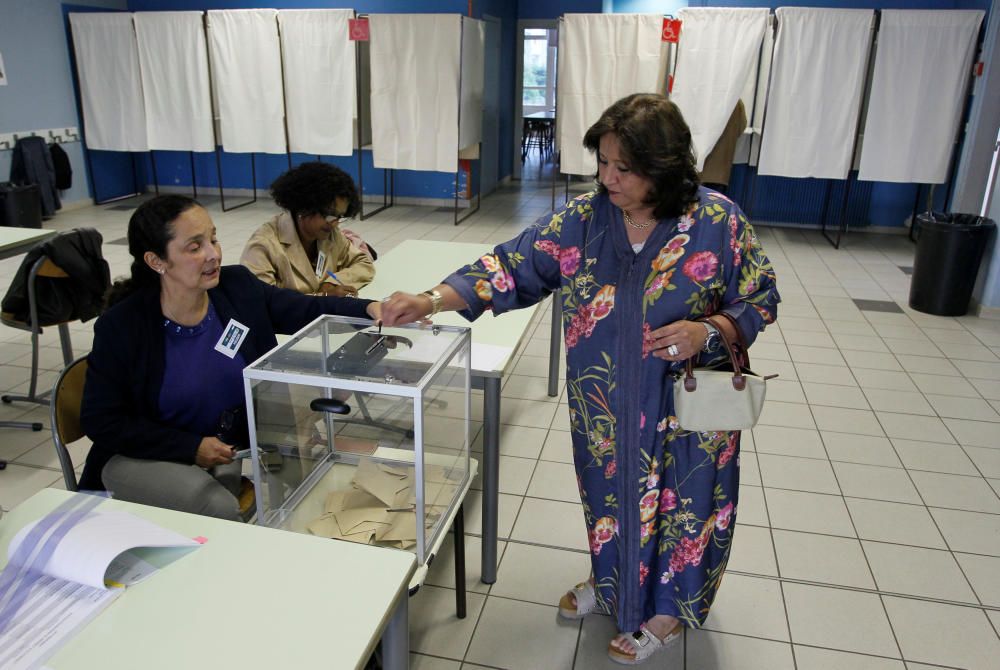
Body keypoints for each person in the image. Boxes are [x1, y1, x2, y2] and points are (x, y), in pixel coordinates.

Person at [381, 94, 779, 665]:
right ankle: (615, 585)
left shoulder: (717, 221)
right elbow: (511, 265)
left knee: (685, 503)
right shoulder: (585, 219)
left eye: (624, 168)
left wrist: (709, 330)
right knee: (609, 497)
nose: (608, 178)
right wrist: (430, 299)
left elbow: (761, 297)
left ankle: (667, 611)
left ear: (663, 169)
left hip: (688, 409)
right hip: (604, 405)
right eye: (604, 163)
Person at [79, 195, 380, 521]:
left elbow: (303, 309)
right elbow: (102, 421)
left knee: (317, 478)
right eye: (194, 247)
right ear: (156, 261)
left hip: (223, 448)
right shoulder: (123, 326)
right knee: (216, 505)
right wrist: (189, 446)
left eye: (213, 238)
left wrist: (369, 310)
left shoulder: (236, 288)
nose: (213, 254)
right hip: (146, 453)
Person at [240, 162, 374, 298]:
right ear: (304, 207)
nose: (334, 223)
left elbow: (364, 263)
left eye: (339, 216)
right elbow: (263, 303)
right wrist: (324, 296)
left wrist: (332, 283)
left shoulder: (330, 234)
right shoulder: (263, 246)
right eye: (328, 214)